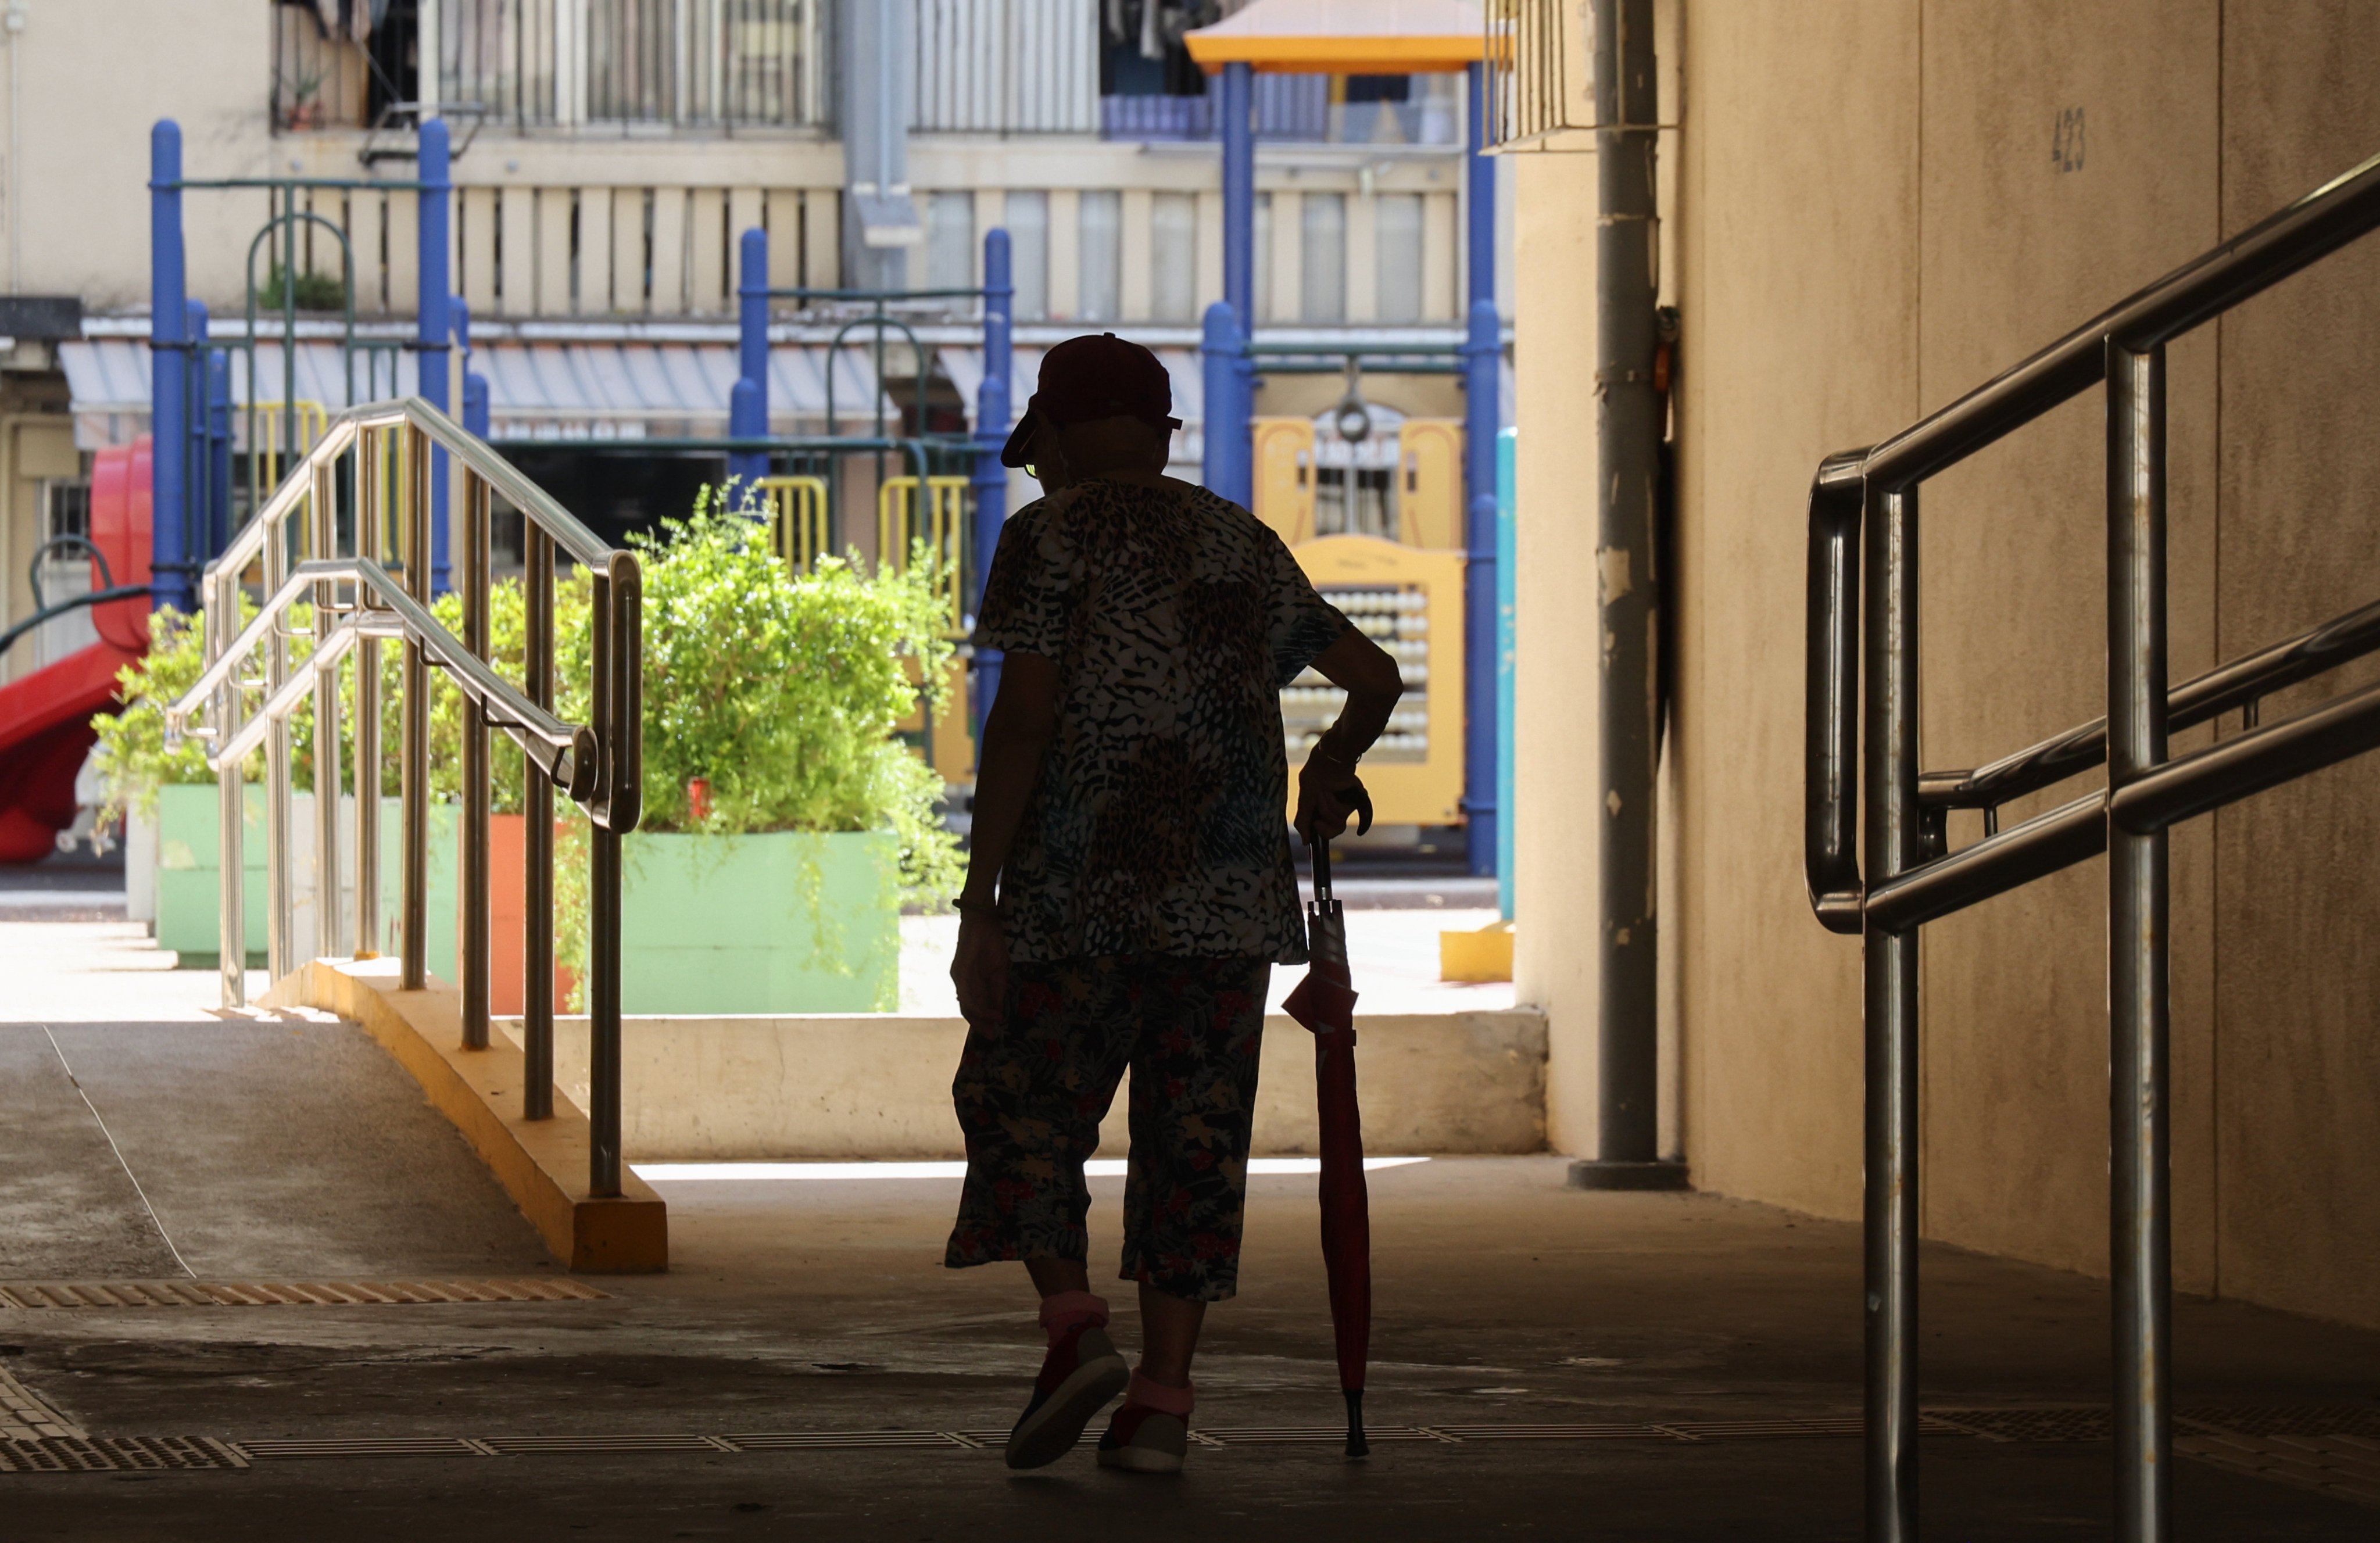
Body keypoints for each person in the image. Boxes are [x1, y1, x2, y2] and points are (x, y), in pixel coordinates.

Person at [946, 332, 1404, 1474]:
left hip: (1077, 896)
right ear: (1158, 437)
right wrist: (1331, 764)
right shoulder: (1238, 542)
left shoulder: (1043, 536)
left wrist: (977, 899)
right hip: (1227, 905)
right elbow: (1371, 675)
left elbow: (1025, 720)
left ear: (1051, 436)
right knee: (1194, 1141)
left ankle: (1072, 1328)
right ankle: (1160, 1403)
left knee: (1015, 1099)